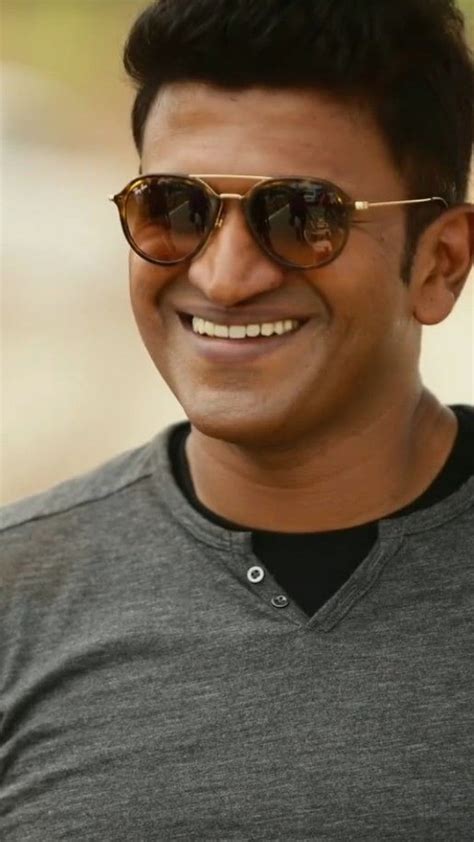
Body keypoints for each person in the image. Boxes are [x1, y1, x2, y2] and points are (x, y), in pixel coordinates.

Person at [1, 0, 473, 838]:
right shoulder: (16, 598)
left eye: (304, 215)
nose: (222, 279)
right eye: (176, 207)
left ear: (440, 263)